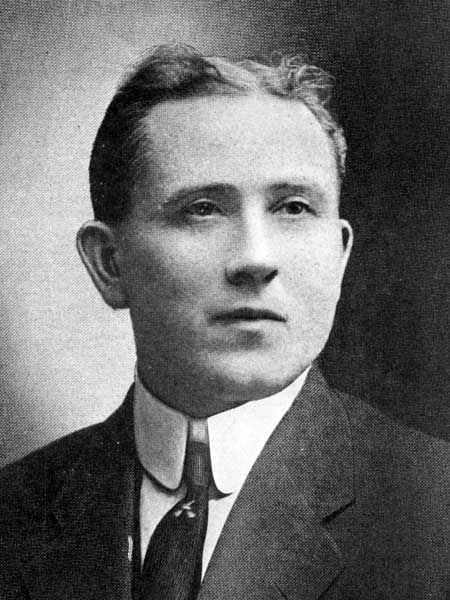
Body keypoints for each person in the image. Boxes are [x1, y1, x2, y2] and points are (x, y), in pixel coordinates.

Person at [1, 44, 450, 600]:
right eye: (203, 209)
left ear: (339, 256)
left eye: (293, 207)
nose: (256, 259)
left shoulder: (433, 510)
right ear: (110, 264)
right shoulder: (14, 512)